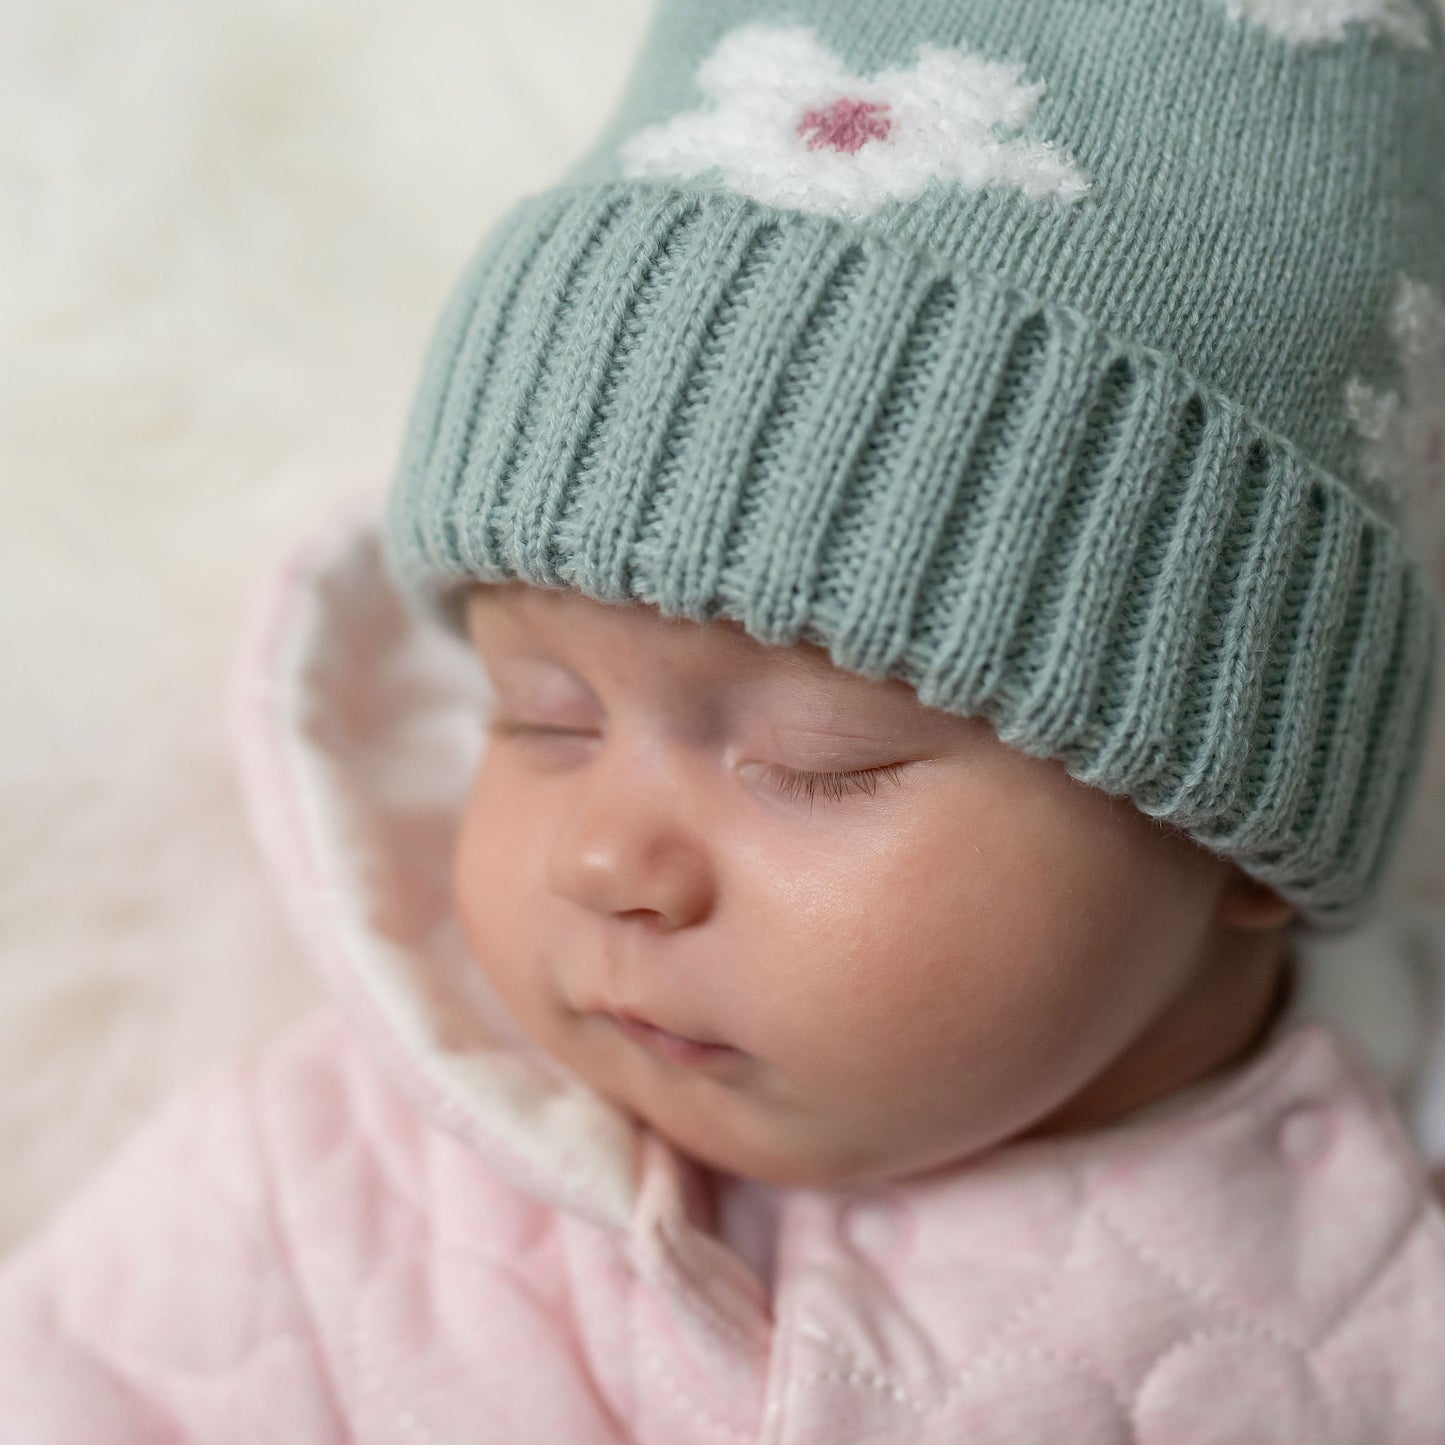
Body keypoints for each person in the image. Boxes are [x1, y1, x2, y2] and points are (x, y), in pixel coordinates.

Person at [4, 0, 1445, 1437]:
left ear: (1239, 825)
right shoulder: (320, 1195)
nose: (608, 861)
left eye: (812, 763)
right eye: (543, 720)